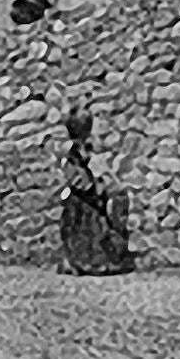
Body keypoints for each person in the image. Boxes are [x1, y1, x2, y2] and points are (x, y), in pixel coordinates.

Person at [59, 110, 133, 275]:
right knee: (84, 229)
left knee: (91, 229)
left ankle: (90, 262)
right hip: (82, 197)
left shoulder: (81, 149)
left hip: (86, 195)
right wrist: (94, 188)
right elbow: (77, 177)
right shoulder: (72, 153)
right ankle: (84, 263)